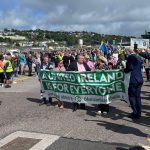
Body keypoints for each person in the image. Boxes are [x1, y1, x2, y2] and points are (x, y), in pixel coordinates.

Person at [124, 49, 143, 119]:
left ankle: (135, 113)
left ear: (128, 51)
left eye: (126, 52)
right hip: (139, 78)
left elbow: (130, 68)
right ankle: (139, 112)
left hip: (133, 79)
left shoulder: (130, 57)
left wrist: (124, 70)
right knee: (138, 97)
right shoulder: (138, 57)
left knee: (132, 96)